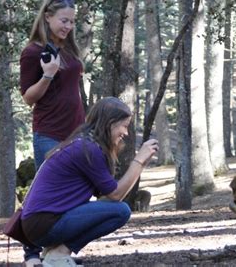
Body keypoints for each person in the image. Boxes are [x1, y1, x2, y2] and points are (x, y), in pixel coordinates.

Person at [21, 97, 159, 267]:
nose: (126, 133)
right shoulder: (88, 149)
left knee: (115, 208)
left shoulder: (85, 144)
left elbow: (109, 194)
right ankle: (58, 255)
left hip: (40, 223)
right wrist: (138, 161)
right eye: (124, 125)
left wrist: (141, 163)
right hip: (44, 223)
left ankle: (54, 254)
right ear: (110, 123)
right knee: (120, 211)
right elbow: (116, 195)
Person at [19, 0, 85, 265]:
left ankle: (55, 252)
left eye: (71, 22)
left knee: (74, 193)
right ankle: (31, 253)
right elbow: (28, 97)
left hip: (77, 133)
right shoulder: (34, 51)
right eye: (63, 20)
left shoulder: (69, 49)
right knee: (43, 197)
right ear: (47, 17)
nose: (68, 26)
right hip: (49, 134)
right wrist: (48, 74)